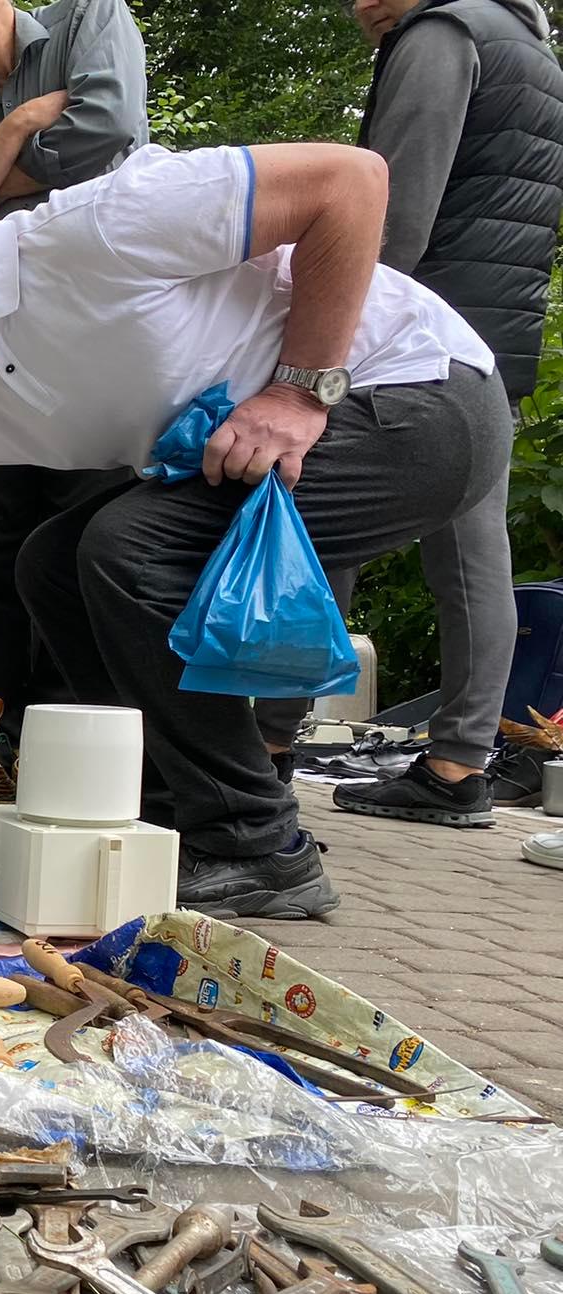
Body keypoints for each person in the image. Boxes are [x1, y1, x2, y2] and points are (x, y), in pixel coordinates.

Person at [0, 139, 513, 921]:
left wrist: (299, 390)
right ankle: (168, 823)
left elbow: (350, 180)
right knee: (52, 564)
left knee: (128, 549)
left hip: (419, 401)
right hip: (271, 448)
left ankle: (258, 845)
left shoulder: (102, 226)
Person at [253, 0, 563, 825]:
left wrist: (325, 335)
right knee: (472, 559)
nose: (360, 6)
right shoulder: (531, 49)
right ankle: (459, 764)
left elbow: (388, 212)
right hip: (490, 341)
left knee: (324, 524)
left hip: (412, 342)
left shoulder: (443, 35)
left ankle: (269, 745)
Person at [0, 0, 149, 749]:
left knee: (82, 545)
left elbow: (106, 131)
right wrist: (16, 127)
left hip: (98, 335)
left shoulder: (90, 17)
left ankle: (77, 747)